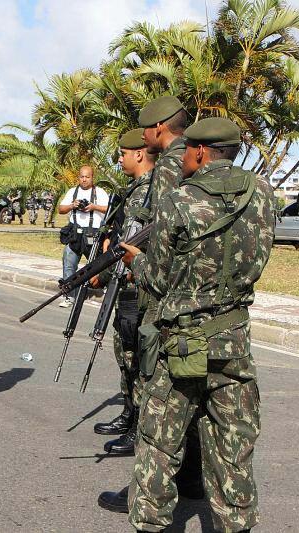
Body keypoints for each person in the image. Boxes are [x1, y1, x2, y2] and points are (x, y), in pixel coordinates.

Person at [120, 118, 275, 533]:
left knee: (159, 444)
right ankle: (236, 524)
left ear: (202, 152)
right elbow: (258, 255)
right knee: (234, 444)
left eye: (187, 149)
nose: (182, 156)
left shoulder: (178, 199)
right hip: (234, 341)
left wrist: (137, 261)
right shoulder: (261, 192)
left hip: (182, 345)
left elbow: (158, 278)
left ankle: (151, 524)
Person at [97, 97, 204, 514]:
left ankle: (146, 491)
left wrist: (137, 267)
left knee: (156, 396)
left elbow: (164, 245)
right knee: (192, 393)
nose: (141, 138)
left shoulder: (168, 169)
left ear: (159, 128)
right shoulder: (198, 160)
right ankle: (193, 477)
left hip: (161, 297)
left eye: (144, 130)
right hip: (199, 295)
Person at [90, 129, 155, 457]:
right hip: (125, 281)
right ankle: (130, 413)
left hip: (138, 285)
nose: (119, 158)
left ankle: (139, 428)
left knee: (135, 356)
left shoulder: (152, 191)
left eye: (123, 153)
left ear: (140, 154)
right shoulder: (134, 191)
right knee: (124, 353)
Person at [57, 165, 109, 308]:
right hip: (75, 235)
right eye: (82, 177)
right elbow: (61, 209)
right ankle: (69, 296)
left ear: (93, 178)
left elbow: (110, 209)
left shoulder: (100, 192)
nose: (84, 179)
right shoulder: (73, 192)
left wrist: (94, 207)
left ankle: (104, 291)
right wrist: (72, 205)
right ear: (78, 177)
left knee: (98, 265)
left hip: (93, 234)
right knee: (69, 264)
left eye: (87, 177)